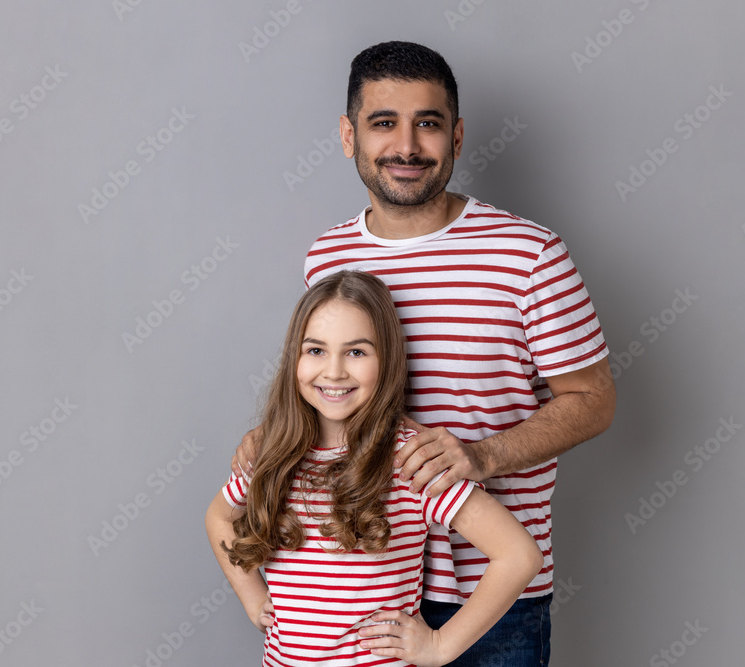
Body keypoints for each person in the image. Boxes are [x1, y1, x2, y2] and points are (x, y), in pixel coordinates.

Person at [235, 41, 616, 665]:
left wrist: (484, 455)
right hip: (359, 591)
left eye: (428, 124)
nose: (406, 146)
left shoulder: (530, 256)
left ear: (457, 136)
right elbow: (329, 392)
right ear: (347, 134)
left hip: (486, 597)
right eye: (383, 122)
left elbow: (595, 401)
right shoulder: (327, 257)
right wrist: (271, 439)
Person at [206, 270, 544, 667]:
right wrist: (253, 598)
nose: (333, 372)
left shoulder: (409, 460)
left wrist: (439, 646)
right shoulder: (271, 452)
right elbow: (219, 517)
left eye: (356, 352)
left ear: (387, 360)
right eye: (315, 350)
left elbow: (518, 555)